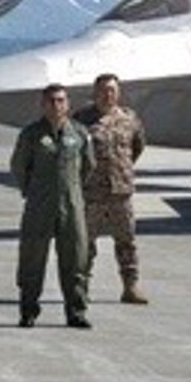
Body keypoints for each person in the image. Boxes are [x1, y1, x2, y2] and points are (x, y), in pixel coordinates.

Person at [10, 82, 95, 329]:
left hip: (71, 206)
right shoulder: (31, 134)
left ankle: (76, 311)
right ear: (43, 105)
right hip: (39, 207)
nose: (56, 105)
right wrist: (33, 192)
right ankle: (28, 311)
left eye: (61, 101)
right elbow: (19, 167)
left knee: (76, 260)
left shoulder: (79, 133)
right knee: (32, 260)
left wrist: (73, 191)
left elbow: (88, 167)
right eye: (51, 101)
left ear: (67, 104)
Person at [74, 73, 148, 305]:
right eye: (104, 90)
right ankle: (80, 287)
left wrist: (121, 170)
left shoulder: (129, 119)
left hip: (120, 192)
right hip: (91, 193)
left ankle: (130, 286)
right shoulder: (81, 120)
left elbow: (137, 147)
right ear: (95, 93)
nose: (108, 95)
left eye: (112, 90)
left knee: (126, 241)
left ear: (118, 93)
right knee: (85, 243)